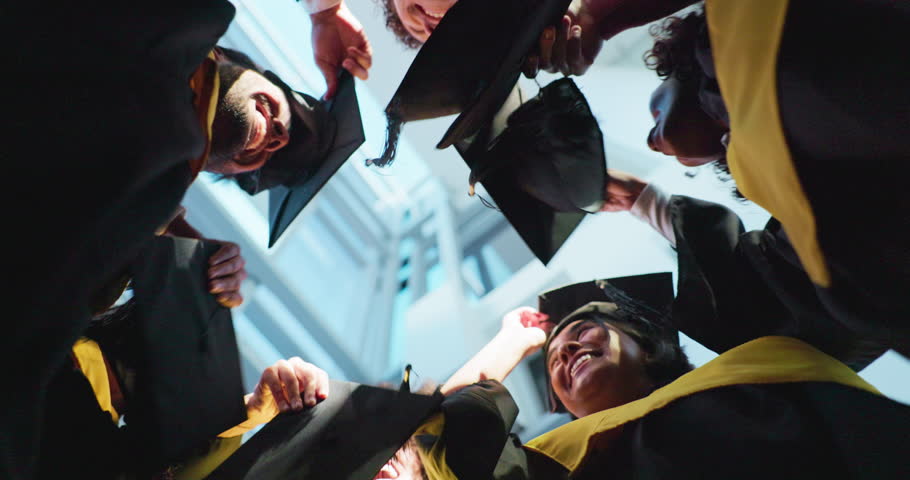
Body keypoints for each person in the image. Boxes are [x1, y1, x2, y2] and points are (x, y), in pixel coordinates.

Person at [1, 2, 372, 476]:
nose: (279, 136)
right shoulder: (170, 26)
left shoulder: (130, 212)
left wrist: (178, 268)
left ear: (213, 168)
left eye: (262, 163)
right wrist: (325, 10)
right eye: (288, 115)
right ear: (244, 62)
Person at [419, 279, 910, 479]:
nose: (565, 350)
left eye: (584, 331)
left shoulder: (766, 360)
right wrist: (510, 343)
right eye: (554, 364)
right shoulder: (556, 461)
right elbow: (446, 436)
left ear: (646, 344)